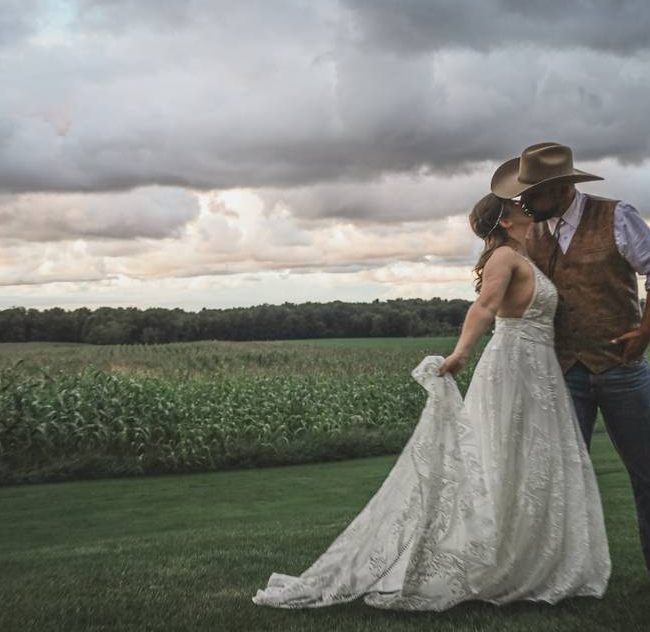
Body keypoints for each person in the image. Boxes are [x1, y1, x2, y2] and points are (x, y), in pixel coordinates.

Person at [252, 192, 611, 611]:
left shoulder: (521, 254)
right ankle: (497, 563)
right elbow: (485, 306)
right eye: (517, 209)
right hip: (515, 366)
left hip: (540, 368)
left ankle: (529, 557)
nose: (526, 210)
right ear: (505, 223)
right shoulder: (502, 259)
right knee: (507, 456)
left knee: (532, 461)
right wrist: (460, 352)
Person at [491, 141, 650, 596]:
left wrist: (644, 333)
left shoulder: (617, 216)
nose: (522, 202)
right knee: (560, 476)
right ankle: (563, 574)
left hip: (621, 367)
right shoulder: (532, 234)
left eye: (531, 193)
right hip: (563, 371)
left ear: (560, 188)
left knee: (648, 472)